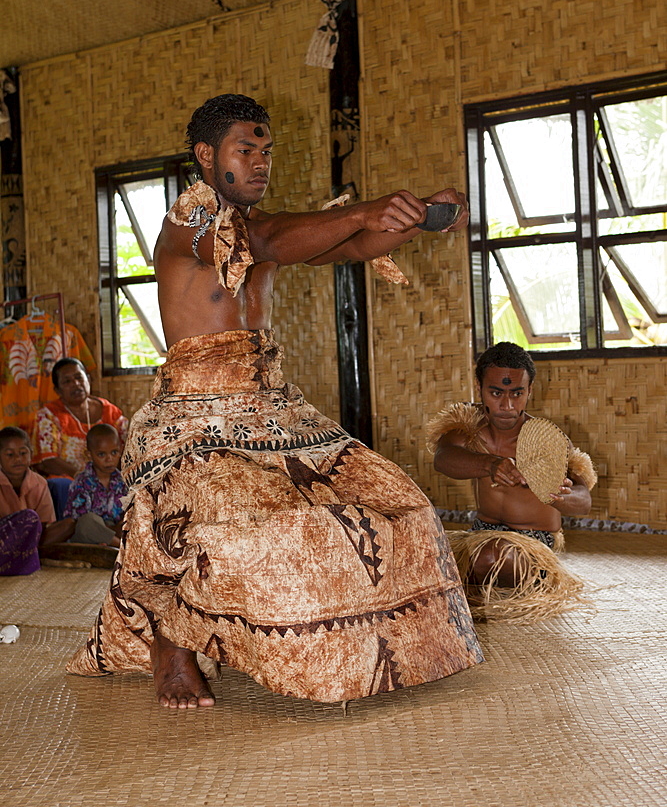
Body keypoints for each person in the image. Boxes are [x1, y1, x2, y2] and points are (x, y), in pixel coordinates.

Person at [67, 92, 483, 709]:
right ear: (206, 156)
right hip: (194, 415)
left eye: (266, 152)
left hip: (273, 410)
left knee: (402, 506)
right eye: (245, 150)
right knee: (250, 525)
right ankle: (171, 645)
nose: (260, 163)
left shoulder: (262, 227)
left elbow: (343, 247)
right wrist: (366, 208)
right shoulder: (189, 221)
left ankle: (362, 650)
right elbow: (266, 239)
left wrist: (415, 216)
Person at [427, 341, 597, 620]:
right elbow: (444, 458)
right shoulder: (469, 430)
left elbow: (584, 501)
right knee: (421, 553)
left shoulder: (546, 439)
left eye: (517, 393)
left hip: (533, 543)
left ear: (529, 391)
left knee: (494, 557)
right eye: (496, 393)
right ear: (479, 388)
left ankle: (486, 581)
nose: (507, 405)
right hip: (480, 533)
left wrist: (559, 495)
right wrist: (490, 464)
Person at [33, 358, 128, 518]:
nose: (76, 384)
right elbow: (48, 461)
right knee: (61, 486)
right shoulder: (49, 416)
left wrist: (107, 475)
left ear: (88, 379)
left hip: (110, 477)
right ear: (57, 390)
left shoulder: (111, 412)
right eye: (67, 381)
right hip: (70, 479)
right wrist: (87, 478)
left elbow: (127, 451)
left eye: (79, 377)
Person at [0, 426, 76, 575]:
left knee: (69, 524)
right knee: (28, 517)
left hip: (33, 539)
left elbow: (44, 525)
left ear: (31, 454)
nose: (17, 459)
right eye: (10, 454)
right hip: (3, 539)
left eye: (23, 453)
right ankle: (21, 559)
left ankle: (19, 558)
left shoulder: (39, 483)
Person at [62, 424, 125, 548]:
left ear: (121, 450)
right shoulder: (81, 482)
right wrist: (109, 530)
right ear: (89, 455)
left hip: (116, 531)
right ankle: (123, 549)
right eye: (101, 454)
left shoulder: (123, 481)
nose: (109, 459)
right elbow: (80, 520)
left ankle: (112, 545)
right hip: (88, 535)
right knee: (88, 521)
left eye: (114, 452)